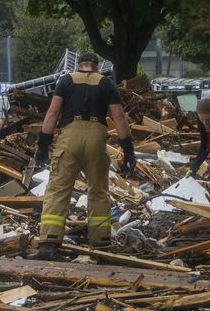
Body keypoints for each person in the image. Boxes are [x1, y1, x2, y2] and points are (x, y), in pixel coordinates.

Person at [31, 53, 136, 260]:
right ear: (96, 67)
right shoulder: (106, 83)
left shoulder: (66, 80)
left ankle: (50, 243)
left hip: (69, 139)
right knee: (98, 191)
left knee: (58, 190)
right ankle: (100, 242)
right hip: (96, 139)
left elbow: (52, 113)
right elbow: (118, 117)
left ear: (79, 65)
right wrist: (128, 148)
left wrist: (43, 145)